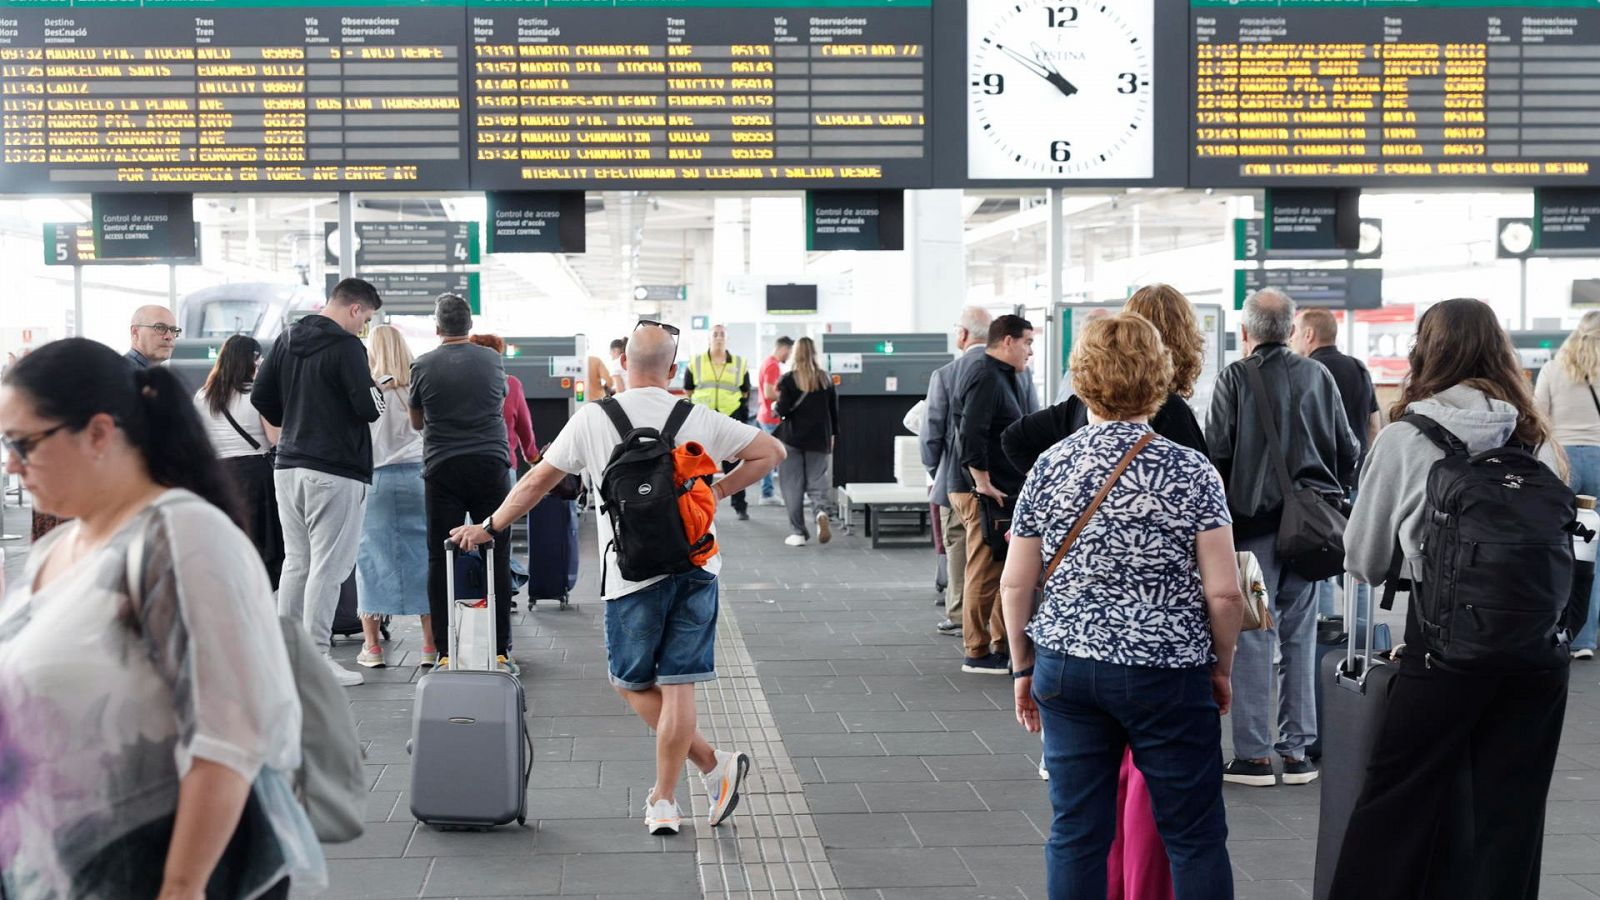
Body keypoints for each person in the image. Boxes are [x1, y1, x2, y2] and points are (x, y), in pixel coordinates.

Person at [0, 338, 324, 899]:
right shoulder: (60, 548)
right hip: (65, 863)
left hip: (148, 865)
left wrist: (181, 886)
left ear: (100, 433)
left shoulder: (180, 538)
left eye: (24, 443)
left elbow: (230, 733)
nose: (11, 464)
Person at [448, 321, 784, 836]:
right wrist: (717, 493)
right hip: (697, 568)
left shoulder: (592, 419)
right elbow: (770, 453)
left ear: (623, 363)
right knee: (679, 688)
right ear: (674, 371)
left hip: (630, 575)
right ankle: (702, 776)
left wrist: (489, 526)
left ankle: (675, 793)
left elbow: (538, 479)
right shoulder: (697, 415)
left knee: (629, 683)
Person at [1331, 298, 1570, 900]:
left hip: (1441, 653)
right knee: (1510, 816)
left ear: (1425, 350)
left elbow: (1361, 559)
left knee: (1398, 800)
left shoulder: (1407, 435)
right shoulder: (1535, 434)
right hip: (1536, 655)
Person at [1000, 314, 1241, 900]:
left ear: (1082, 380)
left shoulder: (1051, 466)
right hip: (1168, 672)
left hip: (1068, 667)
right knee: (1194, 836)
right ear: (1158, 378)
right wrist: (1222, 666)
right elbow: (1226, 592)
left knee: (1077, 832)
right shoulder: (1191, 471)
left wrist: (1022, 666)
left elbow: (1015, 584)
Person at [1206, 288, 1358, 787]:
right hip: (1312, 530)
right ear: (1292, 330)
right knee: (1300, 635)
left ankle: (1252, 756)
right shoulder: (1320, 375)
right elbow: (1347, 447)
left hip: (1252, 531)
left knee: (1253, 635)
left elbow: (1219, 455)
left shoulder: (1234, 377)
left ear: (1245, 332)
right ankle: (1296, 754)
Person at [252, 277, 385, 688]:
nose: (363, 328)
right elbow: (369, 407)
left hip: (288, 466)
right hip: (335, 469)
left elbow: (261, 398)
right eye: (365, 319)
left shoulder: (286, 339)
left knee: (297, 563)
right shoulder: (347, 348)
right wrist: (376, 390)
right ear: (355, 309)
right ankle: (315, 659)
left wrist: (296, 417)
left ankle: (286, 659)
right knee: (329, 567)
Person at [409, 294, 515, 673]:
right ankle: (500, 649)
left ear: (437, 327)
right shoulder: (491, 359)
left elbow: (417, 423)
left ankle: (445, 652)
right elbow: (498, 400)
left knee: (441, 556)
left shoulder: (421, 365)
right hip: (490, 465)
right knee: (496, 552)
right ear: (469, 326)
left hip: (442, 468)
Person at [1003, 284, 1208, 474]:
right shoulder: (1170, 409)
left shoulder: (1084, 404)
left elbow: (1014, 438)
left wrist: (1054, 480)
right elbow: (1200, 491)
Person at [950, 314, 1035, 675]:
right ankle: (976, 650)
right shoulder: (986, 376)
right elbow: (972, 432)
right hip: (985, 491)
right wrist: (981, 481)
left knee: (1001, 568)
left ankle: (1000, 645)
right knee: (984, 570)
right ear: (1007, 341)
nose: (1031, 351)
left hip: (1002, 488)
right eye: (1028, 343)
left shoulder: (1003, 376)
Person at [1291, 307, 1381, 626]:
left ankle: (1322, 635)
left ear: (1309, 334)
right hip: (1354, 484)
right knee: (1354, 565)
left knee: (1322, 569)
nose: (1292, 338)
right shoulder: (1358, 369)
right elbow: (1373, 424)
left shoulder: (1307, 371)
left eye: (1296, 331)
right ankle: (1357, 636)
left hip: (1316, 490)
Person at [353, 325, 434, 669]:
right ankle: (430, 646)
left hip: (377, 483)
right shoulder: (418, 388)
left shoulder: (367, 391)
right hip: (419, 479)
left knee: (371, 559)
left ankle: (372, 647)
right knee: (424, 559)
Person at [923, 306, 993, 637]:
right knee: (993, 547)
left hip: (956, 478)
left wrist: (932, 468)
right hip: (1002, 480)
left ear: (963, 335)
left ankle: (957, 612)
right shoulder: (1016, 372)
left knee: (958, 543)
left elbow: (931, 432)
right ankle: (992, 617)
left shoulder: (946, 374)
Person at [194, 333, 283, 586]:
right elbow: (275, 437)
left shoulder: (203, 396)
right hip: (256, 476)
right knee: (262, 547)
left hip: (219, 476)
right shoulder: (258, 394)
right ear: (253, 360)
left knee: (229, 540)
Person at [1537, 309, 1600, 660]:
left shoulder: (1553, 369)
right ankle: (1585, 638)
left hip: (1562, 463)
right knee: (1595, 551)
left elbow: (1538, 417)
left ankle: (1556, 628)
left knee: (1558, 546)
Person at [773, 336, 839, 547]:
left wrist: (776, 405)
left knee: (792, 486)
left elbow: (782, 410)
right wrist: (832, 436)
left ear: (795, 353)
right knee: (817, 481)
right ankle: (820, 512)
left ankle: (798, 533)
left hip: (791, 439)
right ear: (814, 353)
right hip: (819, 439)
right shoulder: (826, 379)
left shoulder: (789, 379)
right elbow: (834, 413)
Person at [685, 323, 754, 521]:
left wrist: (739, 411)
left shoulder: (739, 363)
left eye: (722, 334)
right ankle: (702, 505)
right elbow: (689, 390)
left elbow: (745, 390)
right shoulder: (696, 362)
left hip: (731, 417)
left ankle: (740, 506)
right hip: (703, 419)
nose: (718, 337)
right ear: (709, 338)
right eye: (715, 334)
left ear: (727, 338)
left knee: (735, 463)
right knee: (703, 464)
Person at [756, 335, 794, 506]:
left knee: (771, 456)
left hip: (767, 416)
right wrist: (790, 396)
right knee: (774, 456)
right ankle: (767, 493)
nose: (790, 356)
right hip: (771, 417)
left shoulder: (768, 363)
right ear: (784, 348)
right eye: (790, 352)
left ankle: (768, 492)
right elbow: (769, 393)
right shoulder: (772, 366)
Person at [126, 303, 180, 369]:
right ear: (135, 332)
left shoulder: (158, 375)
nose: (169, 337)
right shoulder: (121, 373)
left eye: (173, 330)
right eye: (160, 328)